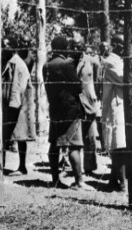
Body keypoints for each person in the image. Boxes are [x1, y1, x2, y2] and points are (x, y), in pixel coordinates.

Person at [43, 36, 93, 190]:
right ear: (65, 48)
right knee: (74, 146)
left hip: (55, 109)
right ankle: (79, 182)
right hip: (70, 110)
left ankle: (55, 179)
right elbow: (77, 87)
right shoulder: (65, 65)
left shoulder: (46, 65)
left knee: (54, 145)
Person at [2, 35, 36, 175]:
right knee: (6, 134)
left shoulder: (20, 63)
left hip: (18, 103)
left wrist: (12, 106)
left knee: (20, 134)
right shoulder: (7, 60)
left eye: (7, 45)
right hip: (10, 102)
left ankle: (22, 166)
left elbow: (18, 86)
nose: (4, 48)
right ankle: (1, 164)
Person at [69, 37, 101, 175]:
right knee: (73, 137)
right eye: (73, 46)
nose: (76, 49)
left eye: (78, 46)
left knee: (90, 136)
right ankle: (72, 168)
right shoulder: (68, 62)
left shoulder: (91, 61)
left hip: (89, 102)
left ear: (83, 47)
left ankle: (90, 167)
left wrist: (96, 97)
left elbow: (99, 80)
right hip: (73, 103)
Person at [101, 34, 127, 191]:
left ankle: (113, 180)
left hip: (121, 106)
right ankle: (122, 182)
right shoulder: (111, 61)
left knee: (120, 144)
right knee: (119, 145)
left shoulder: (119, 60)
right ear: (118, 45)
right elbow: (127, 80)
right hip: (115, 107)